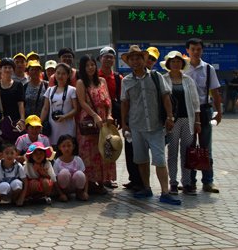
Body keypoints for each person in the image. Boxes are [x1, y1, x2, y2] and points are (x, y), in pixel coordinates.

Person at [120, 45, 179, 205]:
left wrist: (170, 117)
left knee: (160, 160)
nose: (135, 61)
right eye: (131, 59)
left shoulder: (156, 76)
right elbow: (125, 103)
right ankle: (147, 187)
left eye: (138, 58)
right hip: (136, 126)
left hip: (156, 125)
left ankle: (165, 192)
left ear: (143, 59)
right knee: (141, 159)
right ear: (128, 62)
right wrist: (124, 124)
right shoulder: (126, 81)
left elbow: (166, 97)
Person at [184, 37, 222, 193]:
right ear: (187, 50)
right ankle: (189, 181)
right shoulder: (183, 67)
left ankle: (208, 181)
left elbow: (214, 92)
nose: (195, 52)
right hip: (187, 112)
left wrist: (219, 112)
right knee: (189, 147)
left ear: (202, 50)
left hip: (205, 110)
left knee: (206, 148)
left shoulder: (208, 69)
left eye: (198, 49)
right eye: (192, 49)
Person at [161, 51, 201, 195]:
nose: (176, 64)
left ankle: (186, 182)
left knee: (187, 152)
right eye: (173, 61)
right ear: (168, 64)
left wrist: (197, 121)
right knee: (172, 152)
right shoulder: (163, 79)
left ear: (182, 64)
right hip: (172, 121)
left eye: (178, 61)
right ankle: (173, 183)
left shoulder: (188, 80)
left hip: (188, 120)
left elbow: (195, 102)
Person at [76, 54, 115, 195]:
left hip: (103, 121)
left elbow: (108, 101)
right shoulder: (81, 82)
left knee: (103, 150)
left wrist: (109, 114)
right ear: (83, 68)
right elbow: (82, 102)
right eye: (87, 65)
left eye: (92, 64)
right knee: (89, 152)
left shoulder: (102, 81)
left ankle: (101, 180)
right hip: (89, 120)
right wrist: (94, 115)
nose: (90, 68)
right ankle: (90, 183)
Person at [97, 47, 134, 191]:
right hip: (97, 115)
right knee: (97, 148)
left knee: (110, 145)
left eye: (111, 57)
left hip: (111, 117)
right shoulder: (95, 75)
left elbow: (122, 100)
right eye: (106, 57)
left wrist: (119, 118)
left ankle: (108, 177)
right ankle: (98, 178)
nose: (108, 60)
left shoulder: (118, 78)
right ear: (100, 59)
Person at [40, 63, 78, 148]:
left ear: (68, 75)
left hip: (67, 126)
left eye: (63, 74)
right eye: (58, 73)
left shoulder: (72, 90)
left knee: (67, 149)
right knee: (54, 150)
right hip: (53, 127)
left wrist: (64, 117)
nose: (60, 76)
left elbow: (76, 109)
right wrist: (40, 124)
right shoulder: (50, 90)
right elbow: (45, 109)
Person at [0, 58, 26, 142]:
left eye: (10, 67)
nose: (7, 70)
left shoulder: (18, 85)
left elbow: (20, 104)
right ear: (0, 69)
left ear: (13, 70)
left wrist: (22, 119)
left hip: (15, 122)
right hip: (1, 122)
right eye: (5, 67)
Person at [54, 134, 88, 201]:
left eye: (69, 146)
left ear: (73, 146)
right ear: (59, 147)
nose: (66, 148)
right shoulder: (58, 162)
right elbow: (54, 179)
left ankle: (78, 194)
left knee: (80, 174)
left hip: (75, 186)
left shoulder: (78, 159)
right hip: (63, 187)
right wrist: (61, 194)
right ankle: (64, 194)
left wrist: (85, 192)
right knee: (64, 173)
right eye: (63, 146)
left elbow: (85, 176)